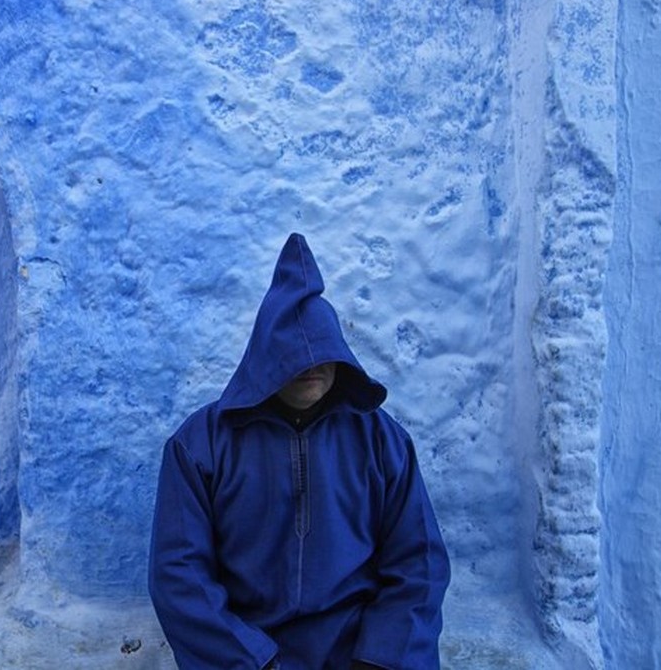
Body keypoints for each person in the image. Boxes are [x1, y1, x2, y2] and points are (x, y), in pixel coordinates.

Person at [148, 233, 450, 669]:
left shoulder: (382, 441)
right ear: (266, 355)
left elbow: (419, 564)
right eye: (293, 355)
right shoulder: (200, 447)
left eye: (322, 351)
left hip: (360, 652)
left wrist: (382, 657)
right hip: (247, 652)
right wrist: (253, 660)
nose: (311, 366)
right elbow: (179, 576)